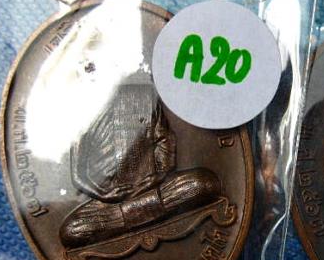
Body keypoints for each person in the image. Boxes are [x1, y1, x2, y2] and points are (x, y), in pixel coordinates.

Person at [60, 83, 221, 249]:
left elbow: (164, 140)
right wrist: (105, 194)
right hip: (111, 204)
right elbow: (78, 176)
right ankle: (144, 212)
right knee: (71, 231)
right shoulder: (82, 112)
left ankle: (128, 217)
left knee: (205, 183)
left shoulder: (143, 95)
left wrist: (159, 176)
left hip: (153, 188)